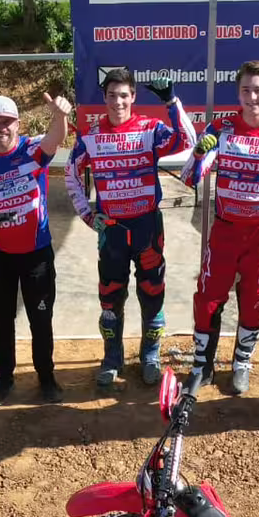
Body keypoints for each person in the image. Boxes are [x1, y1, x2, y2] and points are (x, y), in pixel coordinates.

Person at [64, 67, 197, 390]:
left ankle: (150, 356)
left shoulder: (150, 129)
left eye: (124, 95)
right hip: (111, 230)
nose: (118, 102)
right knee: (110, 297)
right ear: (104, 98)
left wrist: (172, 102)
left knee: (152, 292)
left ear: (133, 97)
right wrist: (86, 215)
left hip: (147, 227)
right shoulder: (92, 135)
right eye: (112, 95)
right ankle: (112, 358)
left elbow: (187, 140)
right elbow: (70, 173)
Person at [182, 59, 259, 395]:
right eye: (245, 90)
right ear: (238, 93)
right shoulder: (221, 128)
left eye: (258, 90)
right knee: (208, 297)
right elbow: (189, 177)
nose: (252, 97)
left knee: (253, 299)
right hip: (225, 230)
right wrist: (198, 153)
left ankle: (242, 362)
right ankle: (202, 366)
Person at [0, 92, 72, 405]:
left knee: (40, 320)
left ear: (18, 124)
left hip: (37, 254)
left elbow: (56, 138)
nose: (1, 128)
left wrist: (60, 116)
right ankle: (4, 379)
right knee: (2, 321)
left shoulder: (32, 150)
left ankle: (46, 378)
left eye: (7, 122)